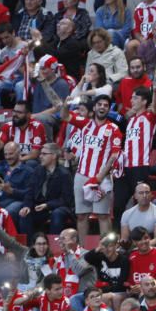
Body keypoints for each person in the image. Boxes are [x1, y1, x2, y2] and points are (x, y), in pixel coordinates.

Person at [60, 95, 122, 238]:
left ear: (108, 109)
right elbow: (65, 116)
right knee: (81, 215)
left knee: (103, 215)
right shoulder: (85, 123)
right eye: (99, 104)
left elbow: (114, 156)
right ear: (94, 108)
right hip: (81, 175)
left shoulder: (114, 129)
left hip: (101, 177)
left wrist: (100, 176)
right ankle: (81, 251)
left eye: (105, 105)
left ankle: (106, 251)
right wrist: (65, 104)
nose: (102, 107)